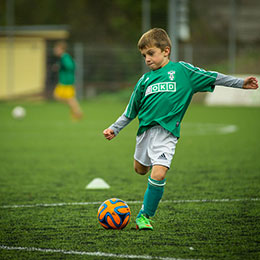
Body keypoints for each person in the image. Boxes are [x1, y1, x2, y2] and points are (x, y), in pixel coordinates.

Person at [103, 28, 258, 231]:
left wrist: (240, 83)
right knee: (140, 170)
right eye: (144, 55)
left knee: (158, 174)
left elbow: (213, 77)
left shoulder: (183, 72)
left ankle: (144, 216)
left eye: (151, 53)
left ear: (166, 51)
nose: (147, 59)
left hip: (167, 134)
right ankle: (151, 172)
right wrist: (115, 129)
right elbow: (130, 111)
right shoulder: (144, 81)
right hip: (145, 133)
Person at [53, 41, 83, 120]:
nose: (55, 50)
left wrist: (60, 66)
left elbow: (71, 66)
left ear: (61, 49)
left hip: (67, 82)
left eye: (57, 49)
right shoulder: (63, 58)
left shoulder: (65, 57)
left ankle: (77, 112)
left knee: (69, 99)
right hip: (64, 81)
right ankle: (76, 111)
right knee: (60, 97)